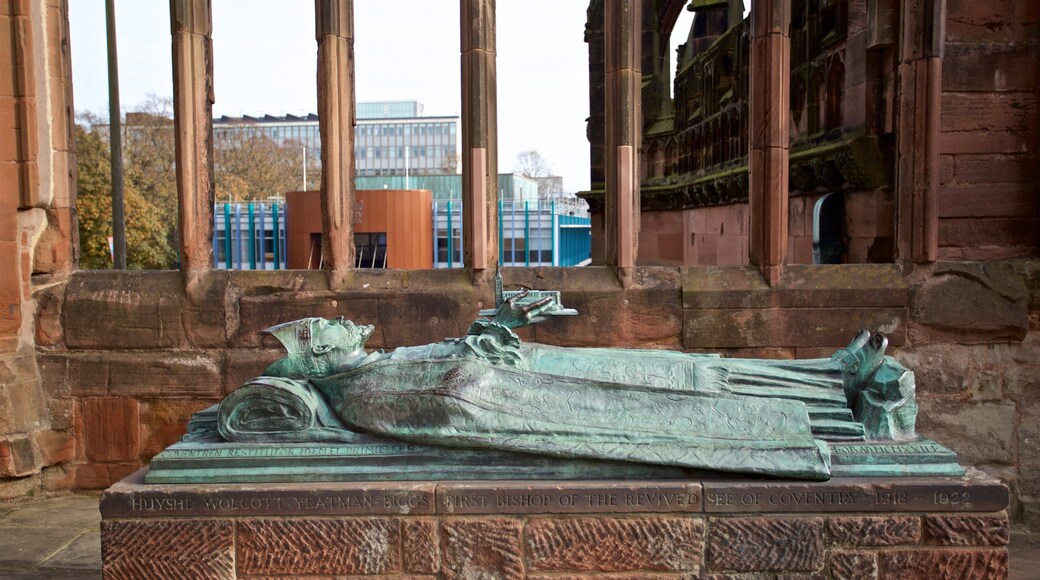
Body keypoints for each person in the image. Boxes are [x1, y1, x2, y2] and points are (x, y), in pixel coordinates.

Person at [216, 292, 917, 480]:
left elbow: (462, 353)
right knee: (689, 398)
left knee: (685, 368)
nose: (338, 323)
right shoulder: (361, 395)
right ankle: (831, 409)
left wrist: (503, 322)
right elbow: (453, 406)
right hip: (546, 400)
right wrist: (490, 361)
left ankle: (825, 375)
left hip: (544, 373)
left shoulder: (381, 359)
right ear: (314, 360)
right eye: (320, 331)